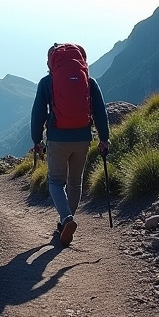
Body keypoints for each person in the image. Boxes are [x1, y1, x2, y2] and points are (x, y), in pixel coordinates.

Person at [30, 43, 111, 247]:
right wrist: (104, 138)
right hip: (83, 138)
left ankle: (66, 219)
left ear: (51, 62)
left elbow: (38, 113)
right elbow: (100, 111)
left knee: (56, 182)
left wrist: (36, 140)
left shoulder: (47, 82)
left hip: (58, 139)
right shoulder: (89, 82)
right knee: (75, 181)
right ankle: (66, 221)